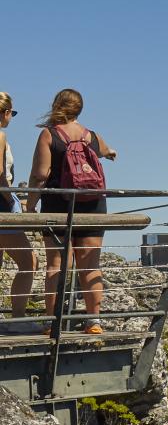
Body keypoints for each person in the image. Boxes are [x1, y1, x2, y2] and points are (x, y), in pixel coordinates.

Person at [24, 88, 117, 335]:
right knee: (90, 265)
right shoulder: (92, 136)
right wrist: (110, 153)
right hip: (93, 206)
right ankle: (93, 321)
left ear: (57, 105)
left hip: (58, 207)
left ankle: (52, 322)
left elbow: (40, 175)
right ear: (79, 109)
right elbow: (107, 150)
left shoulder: (49, 135)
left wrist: (31, 204)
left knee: (55, 266)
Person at [0, 92, 37, 321]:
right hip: (1, 206)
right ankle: (18, 320)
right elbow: (0, 175)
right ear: (4, 113)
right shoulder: (0, 136)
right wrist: (12, 201)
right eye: (11, 113)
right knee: (29, 261)